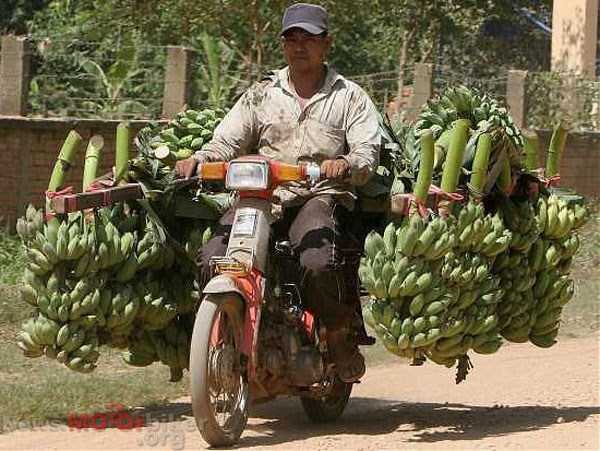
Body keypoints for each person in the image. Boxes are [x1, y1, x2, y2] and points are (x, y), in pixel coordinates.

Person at [175, 2, 381, 382]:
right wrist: (199, 159)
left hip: (317, 194)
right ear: (283, 44)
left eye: (309, 38)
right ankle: (225, 336)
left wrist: (346, 163)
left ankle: (337, 334)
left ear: (326, 44)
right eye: (292, 38)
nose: (299, 46)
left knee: (316, 262)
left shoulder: (349, 97)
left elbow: (367, 152)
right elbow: (226, 141)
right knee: (211, 257)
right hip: (263, 196)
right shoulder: (261, 95)